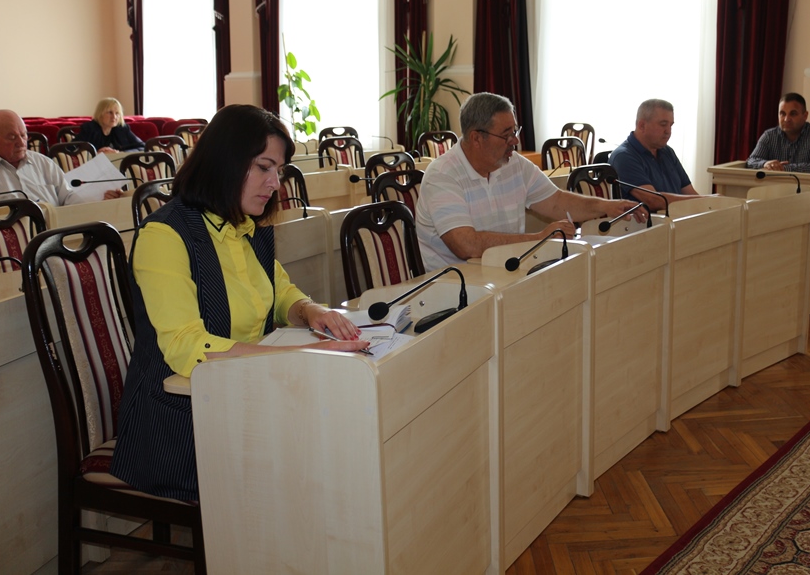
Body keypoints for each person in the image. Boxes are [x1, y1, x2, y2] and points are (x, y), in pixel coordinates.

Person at [111, 105, 367, 502]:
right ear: (225, 161)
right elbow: (187, 347)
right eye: (264, 167)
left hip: (244, 399)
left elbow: (280, 292)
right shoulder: (165, 236)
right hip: (179, 426)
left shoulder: (247, 225)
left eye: (278, 170)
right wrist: (298, 355)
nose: (275, 183)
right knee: (317, 465)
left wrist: (312, 311)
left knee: (338, 443)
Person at [415, 92, 645, 272]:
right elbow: (466, 245)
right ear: (476, 138)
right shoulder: (442, 175)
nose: (515, 141)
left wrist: (607, 206)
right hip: (456, 286)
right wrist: (539, 238)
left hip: (506, 271)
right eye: (506, 134)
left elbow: (556, 202)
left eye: (515, 131)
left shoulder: (513, 164)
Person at [0, 109, 121, 204]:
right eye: (12, 137)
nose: (21, 143)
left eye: (23, 135)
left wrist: (99, 197)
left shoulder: (44, 163)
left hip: (57, 229)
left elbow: (68, 197)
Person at [608, 99, 702, 211]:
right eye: (663, 125)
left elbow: (689, 192)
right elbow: (653, 201)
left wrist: (708, 203)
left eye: (671, 125)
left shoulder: (667, 152)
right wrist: (707, 200)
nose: (668, 131)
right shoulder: (623, 157)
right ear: (642, 125)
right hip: (649, 221)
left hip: (677, 217)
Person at [745, 93, 810, 174]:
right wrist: (765, 164)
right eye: (782, 113)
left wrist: (782, 168)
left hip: (805, 184)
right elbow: (751, 161)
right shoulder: (769, 136)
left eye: (793, 114)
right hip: (773, 183)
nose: (786, 119)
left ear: (805, 116)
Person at [75, 97, 145, 153]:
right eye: (110, 112)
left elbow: (143, 147)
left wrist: (119, 153)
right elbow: (72, 149)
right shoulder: (89, 128)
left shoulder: (123, 129)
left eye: (117, 113)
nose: (114, 117)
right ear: (100, 114)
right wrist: (96, 153)